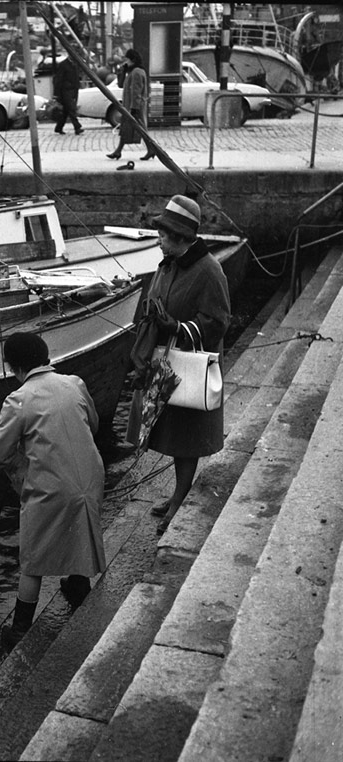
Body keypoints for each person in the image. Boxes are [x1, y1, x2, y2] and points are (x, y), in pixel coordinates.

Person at [0, 332, 106, 647]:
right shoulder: (74, 383)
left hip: (52, 487)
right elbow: (92, 425)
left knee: (33, 557)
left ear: (11, 365)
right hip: (90, 476)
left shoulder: (18, 399)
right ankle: (78, 586)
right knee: (80, 527)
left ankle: (20, 628)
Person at [141, 195, 231, 534]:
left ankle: (179, 497)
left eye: (163, 235)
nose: (159, 239)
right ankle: (179, 490)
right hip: (168, 362)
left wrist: (178, 328)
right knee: (173, 432)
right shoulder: (169, 263)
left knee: (187, 435)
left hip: (190, 364)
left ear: (179, 238)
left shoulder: (209, 271)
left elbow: (218, 321)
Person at [106, 48, 155, 161]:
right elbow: (121, 84)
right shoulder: (132, 71)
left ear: (132, 60)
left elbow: (136, 92)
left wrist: (134, 108)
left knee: (140, 128)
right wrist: (122, 72)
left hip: (135, 106)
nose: (125, 62)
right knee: (126, 128)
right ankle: (118, 151)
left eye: (127, 59)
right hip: (131, 106)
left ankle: (151, 148)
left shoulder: (137, 72)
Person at [52, 55, 84, 136]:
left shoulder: (75, 64)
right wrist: (56, 94)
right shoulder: (63, 64)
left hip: (74, 90)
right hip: (65, 90)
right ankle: (77, 127)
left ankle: (59, 128)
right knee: (71, 109)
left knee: (66, 111)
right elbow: (58, 79)